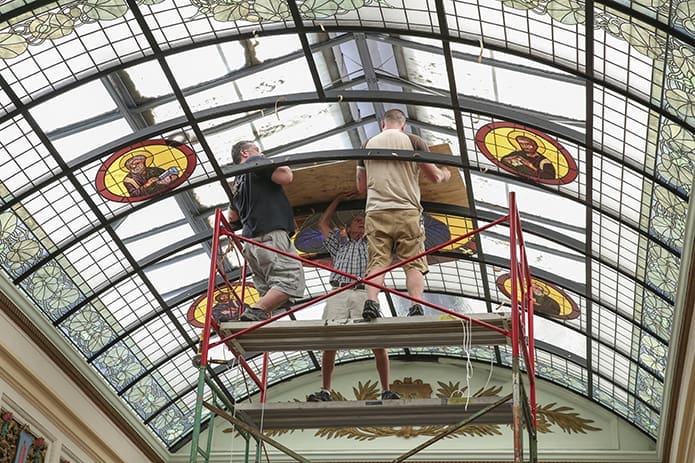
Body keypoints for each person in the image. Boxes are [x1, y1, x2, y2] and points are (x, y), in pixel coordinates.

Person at [356, 108, 451, 320]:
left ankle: (371, 302)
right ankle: (416, 305)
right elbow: (434, 177)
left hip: (376, 211)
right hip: (406, 210)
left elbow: (361, 187)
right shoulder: (414, 141)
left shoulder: (367, 144)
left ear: (383, 124)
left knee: (378, 261)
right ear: (403, 125)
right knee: (413, 261)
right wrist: (446, 173)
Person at [306, 192, 400, 402]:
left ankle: (385, 389)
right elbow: (323, 223)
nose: (361, 224)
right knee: (330, 340)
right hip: (338, 291)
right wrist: (337, 199)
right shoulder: (339, 245)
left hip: (362, 292)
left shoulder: (373, 245)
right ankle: (325, 391)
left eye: (365, 222)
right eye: (357, 221)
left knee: (378, 340)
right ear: (347, 228)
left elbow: (390, 233)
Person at [229, 141, 305, 321]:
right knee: (290, 280)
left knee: (269, 287)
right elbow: (286, 177)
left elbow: (232, 217)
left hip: (251, 244)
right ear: (244, 153)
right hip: (270, 236)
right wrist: (276, 162)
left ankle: (256, 315)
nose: (261, 153)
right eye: (256, 149)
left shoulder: (237, 182)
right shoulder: (256, 162)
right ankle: (254, 311)